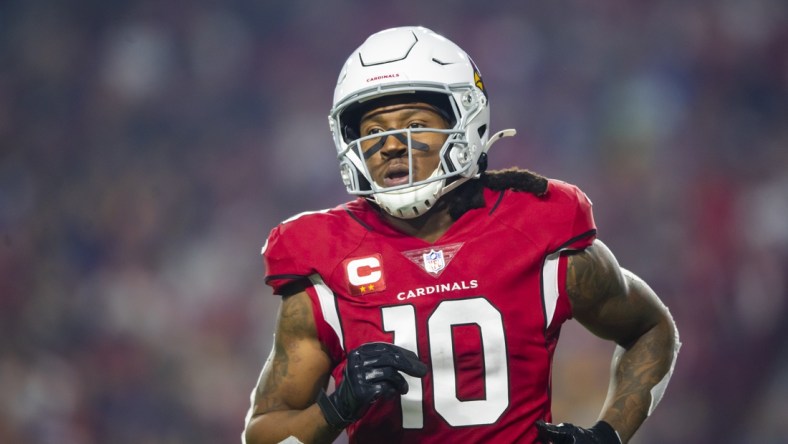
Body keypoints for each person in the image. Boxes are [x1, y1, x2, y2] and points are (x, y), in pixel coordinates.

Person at [243, 26, 680, 444]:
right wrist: (335, 408)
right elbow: (263, 435)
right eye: (373, 131)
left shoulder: (533, 231)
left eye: (413, 124)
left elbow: (651, 330)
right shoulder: (327, 262)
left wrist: (608, 434)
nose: (391, 145)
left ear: (465, 123)